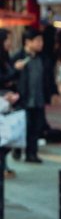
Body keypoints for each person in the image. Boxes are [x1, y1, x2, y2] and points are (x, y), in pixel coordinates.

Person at [13, 29, 47, 164]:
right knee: (23, 127)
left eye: (41, 40)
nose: (41, 44)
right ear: (27, 42)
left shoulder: (42, 58)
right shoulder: (17, 57)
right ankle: (17, 148)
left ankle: (32, 154)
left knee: (36, 127)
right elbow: (8, 77)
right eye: (38, 41)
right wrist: (15, 69)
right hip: (23, 99)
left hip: (38, 99)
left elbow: (47, 78)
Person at [0, 29, 17, 177]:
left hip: (8, 103)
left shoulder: (6, 57)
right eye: (7, 40)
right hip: (2, 101)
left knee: (6, 137)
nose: (10, 43)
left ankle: (4, 166)